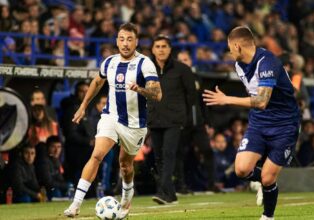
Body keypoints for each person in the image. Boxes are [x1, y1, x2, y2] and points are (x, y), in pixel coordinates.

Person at [64, 22, 162, 219]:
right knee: (97, 155)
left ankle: (127, 196)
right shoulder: (109, 62)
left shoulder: (145, 63)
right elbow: (97, 82)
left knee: (125, 166)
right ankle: (75, 204)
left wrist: (140, 89)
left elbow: (157, 94)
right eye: (122, 39)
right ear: (117, 41)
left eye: (129, 39)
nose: (125, 43)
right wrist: (83, 106)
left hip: (135, 125)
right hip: (111, 117)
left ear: (136, 42)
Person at [203, 26, 300, 220]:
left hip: (284, 125)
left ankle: (267, 216)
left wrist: (227, 99)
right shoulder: (239, 65)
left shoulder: (267, 62)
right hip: (259, 123)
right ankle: (264, 184)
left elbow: (262, 101)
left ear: (238, 46)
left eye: (230, 47)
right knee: (241, 169)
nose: (229, 51)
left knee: (267, 177)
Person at [148, 35, 196, 204]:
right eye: (157, 46)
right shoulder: (146, 70)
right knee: (159, 158)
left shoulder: (182, 69)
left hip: (174, 120)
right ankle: (171, 194)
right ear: (153, 50)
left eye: (164, 46)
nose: (161, 49)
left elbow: (192, 95)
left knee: (168, 154)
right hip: (154, 119)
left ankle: (162, 192)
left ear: (170, 49)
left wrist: (184, 115)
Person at [176, 50, 217, 193]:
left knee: (208, 151)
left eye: (186, 59)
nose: (184, 63)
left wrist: (208, 123)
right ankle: (181, 186)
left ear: (191, 61)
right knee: (179, 154)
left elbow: (203, 102)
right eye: (180, 60)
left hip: (198, 123)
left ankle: (211, 184)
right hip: (182, 123)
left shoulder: (197, 78)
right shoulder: (174, 79)